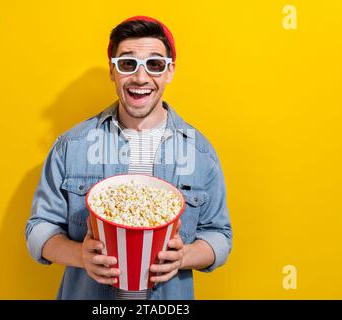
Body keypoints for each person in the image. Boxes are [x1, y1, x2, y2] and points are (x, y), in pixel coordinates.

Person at [25, 16, 232, 300]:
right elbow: (38, 229)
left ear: (170, 72)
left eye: (155, 64)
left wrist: (185, 255)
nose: (140, 78)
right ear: (113, 71)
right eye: (127, 64)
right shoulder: (70, 146)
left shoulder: (201, 154)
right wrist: (80, 255)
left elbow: (220, 235)